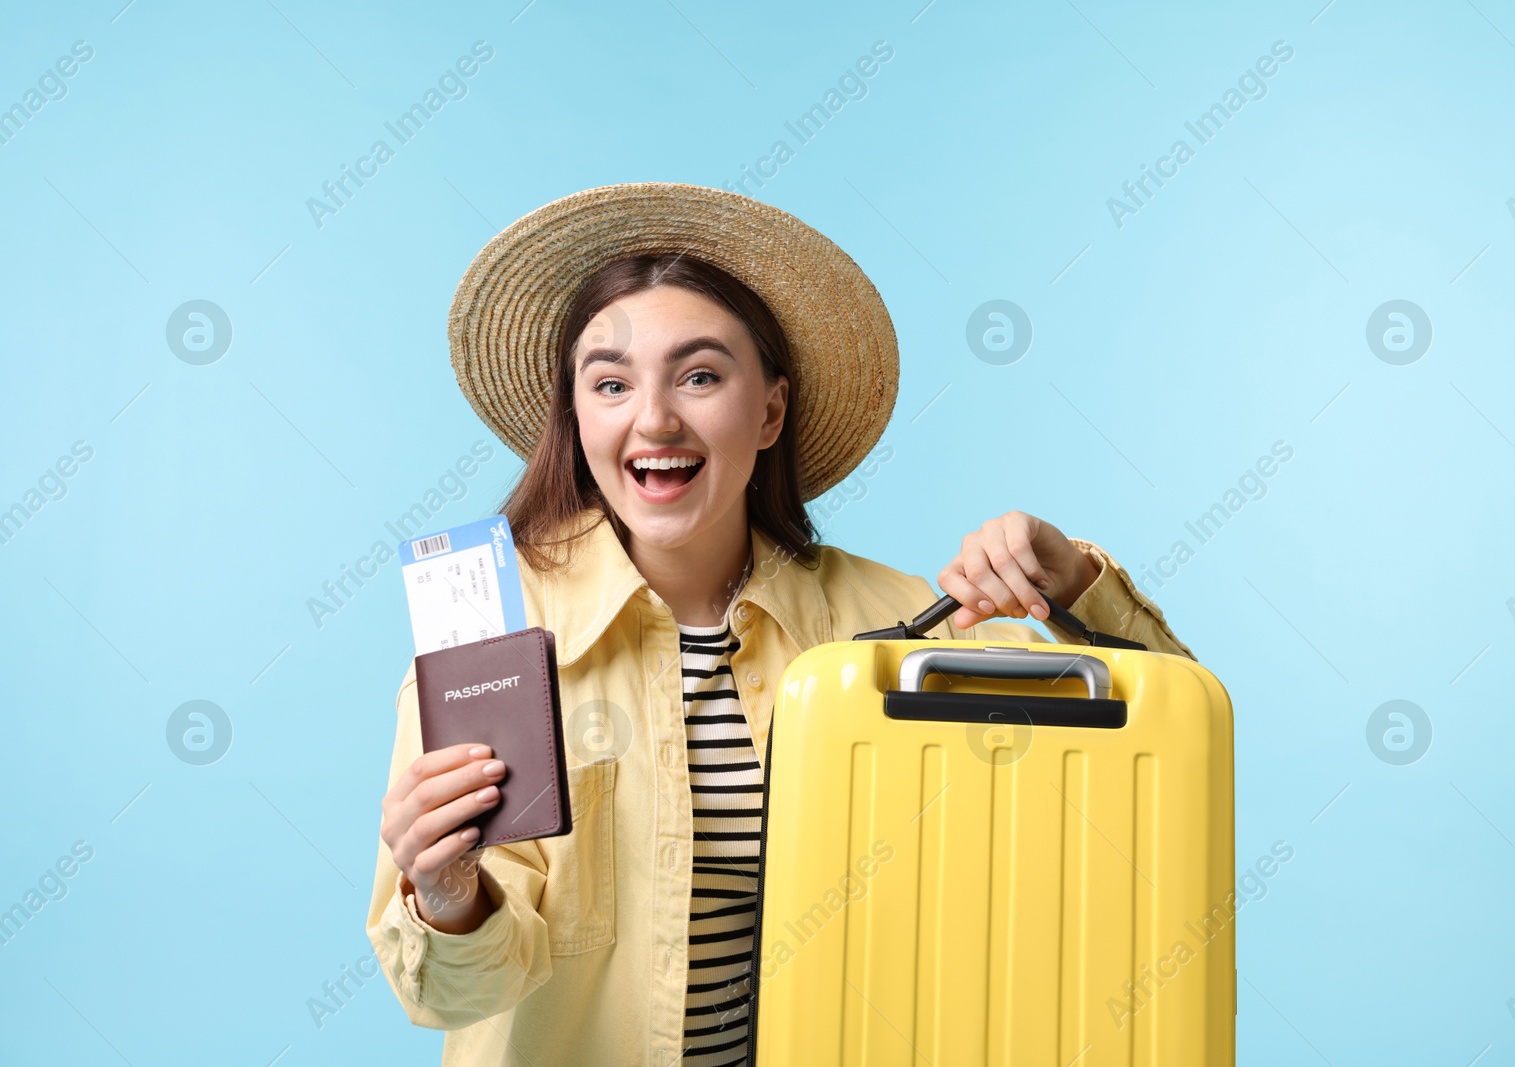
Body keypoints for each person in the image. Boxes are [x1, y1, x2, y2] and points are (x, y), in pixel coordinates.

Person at [366, 182, 1195, 1066]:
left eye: (700, 375)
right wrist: (447, 895)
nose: (653, 418)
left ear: (768, 410)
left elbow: (1164, 745)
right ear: (577, 415)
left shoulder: (894, 627)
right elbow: (452, 995)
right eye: (610, 383)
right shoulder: (491, 635)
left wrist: (1072, 579)